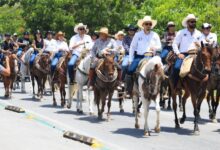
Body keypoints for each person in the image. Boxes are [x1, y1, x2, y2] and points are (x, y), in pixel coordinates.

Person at [126, 16, 161, 90]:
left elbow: (160, 47)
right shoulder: (137, 35)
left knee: (161, 71)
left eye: (150, 24)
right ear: (143, 25)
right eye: (146, 24)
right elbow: (132, 47)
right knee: (130, 70)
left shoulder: (155, 35)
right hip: (140, 56)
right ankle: (129, 90)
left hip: (152, 57)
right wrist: (130, 59)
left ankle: (162, 91)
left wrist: (155, 48)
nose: (148, 25)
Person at [172, 14, 205, 87]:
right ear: (187, 23)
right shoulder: (181, 32)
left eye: (194, 21)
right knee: (177, 67)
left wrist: (200, 45)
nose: (193, 23)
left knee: (207, 68)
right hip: (184, 54)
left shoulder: (199, 33)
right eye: (191, 22)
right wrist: (178, 54)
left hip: (196, 54)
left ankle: (206, 87)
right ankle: (175, 85)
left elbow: (203, 45)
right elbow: (174, 44)